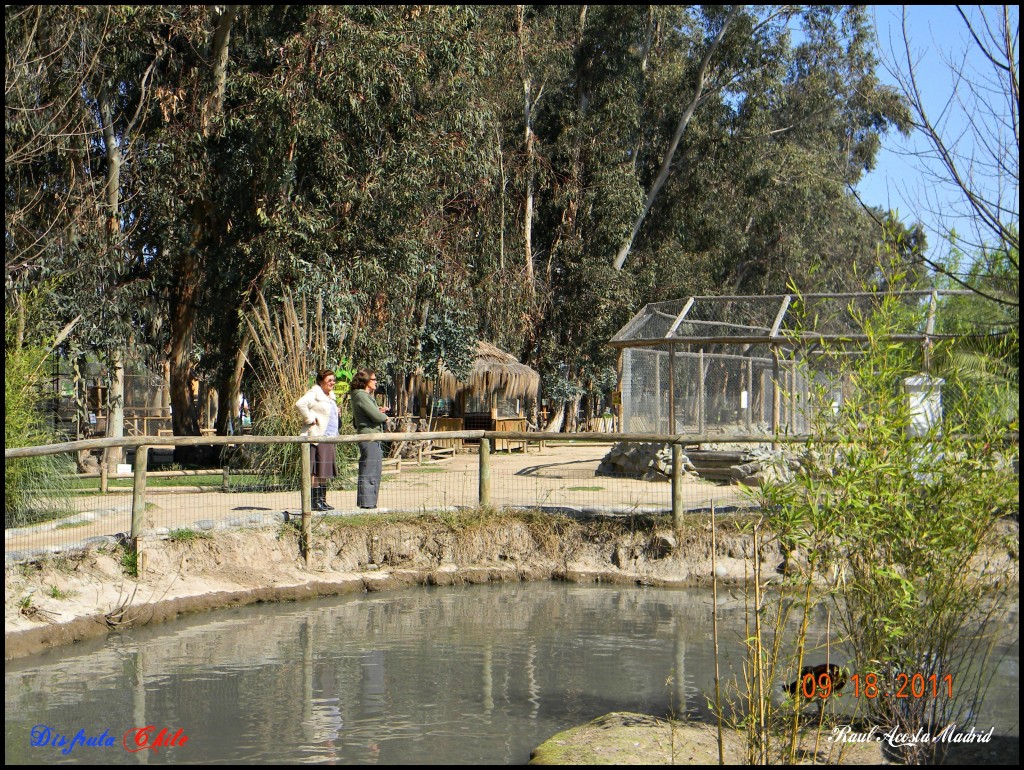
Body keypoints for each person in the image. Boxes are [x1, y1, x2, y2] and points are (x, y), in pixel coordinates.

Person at [295, 369, 340, 511]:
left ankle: (322, 500)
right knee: (315, 470)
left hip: (329, 437)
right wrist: (310, 418)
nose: (332, 382)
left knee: (324, 469)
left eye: (333, 380)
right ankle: (315, 501)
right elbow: (299, 404)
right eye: (329, 380)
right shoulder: (314, 393)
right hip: (317, 436)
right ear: (321, 381)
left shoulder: (330, 396)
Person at [350, 368, 390, 509]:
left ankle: (370, 502)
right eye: (373, 379)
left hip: (373, 436)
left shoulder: (364, 395)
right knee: (369, 470)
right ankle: (367, 504)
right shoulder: (361, 395)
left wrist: (379, 411)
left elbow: (372, 413)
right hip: (369, 436)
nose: (376, 382)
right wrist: (385, 417)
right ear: (366, 381)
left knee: (374, 469)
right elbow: (376, 417)